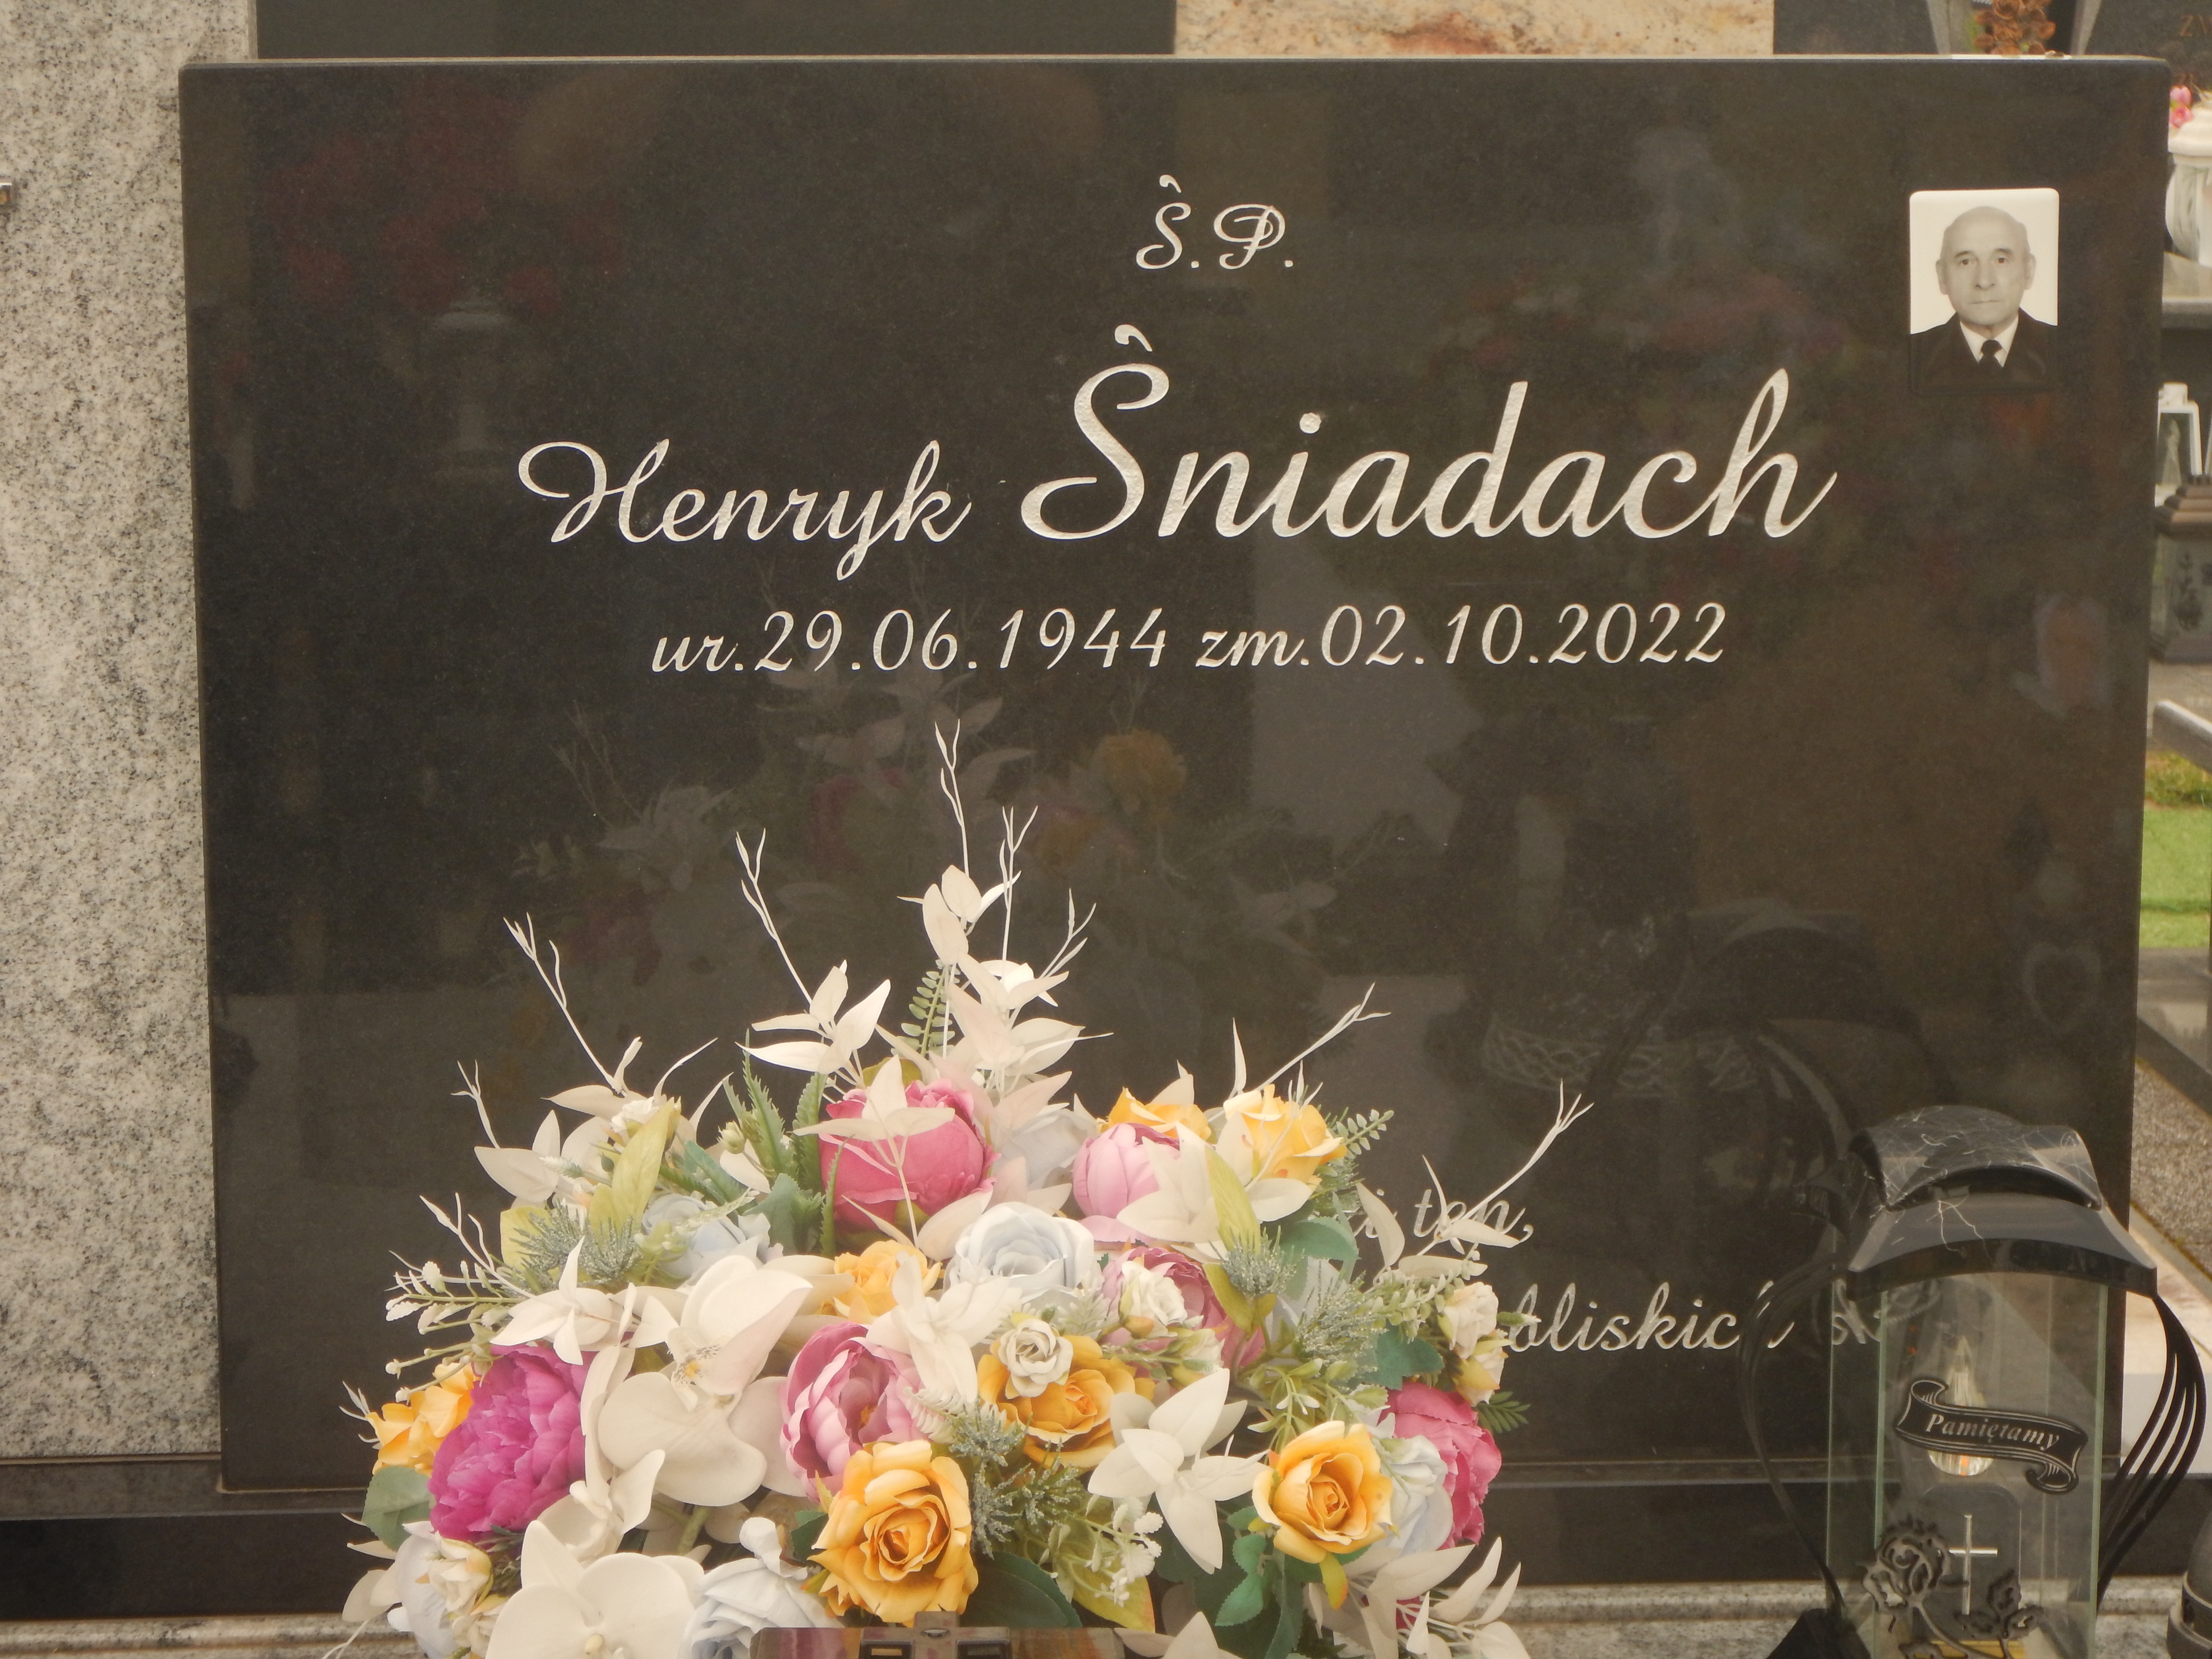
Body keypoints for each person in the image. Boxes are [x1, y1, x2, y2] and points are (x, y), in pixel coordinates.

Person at [1911, 205, 2056, 391]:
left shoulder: (2067, 348)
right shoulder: (1913, 356)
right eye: (1966, 262)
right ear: (1942, 277)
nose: (1984, 281)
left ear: (2028, 271)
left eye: (2001, 260)